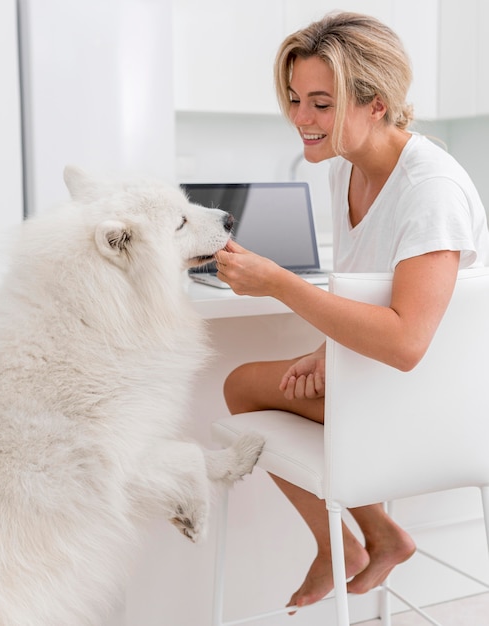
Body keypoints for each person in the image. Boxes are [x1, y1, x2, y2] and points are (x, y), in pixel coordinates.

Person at [213, 11, 489, 613]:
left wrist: (280, 283)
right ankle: (370, 537)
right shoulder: (346, 170)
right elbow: (378, 299)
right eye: (294, 100)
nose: (300, 120)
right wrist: (325, 350)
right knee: (251, 384)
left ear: (377, 105)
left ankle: (354, 540)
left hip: (430, 401)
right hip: (385, 383)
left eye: (320, 103)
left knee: (244, 385)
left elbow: (407, 342)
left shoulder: (429, 191)